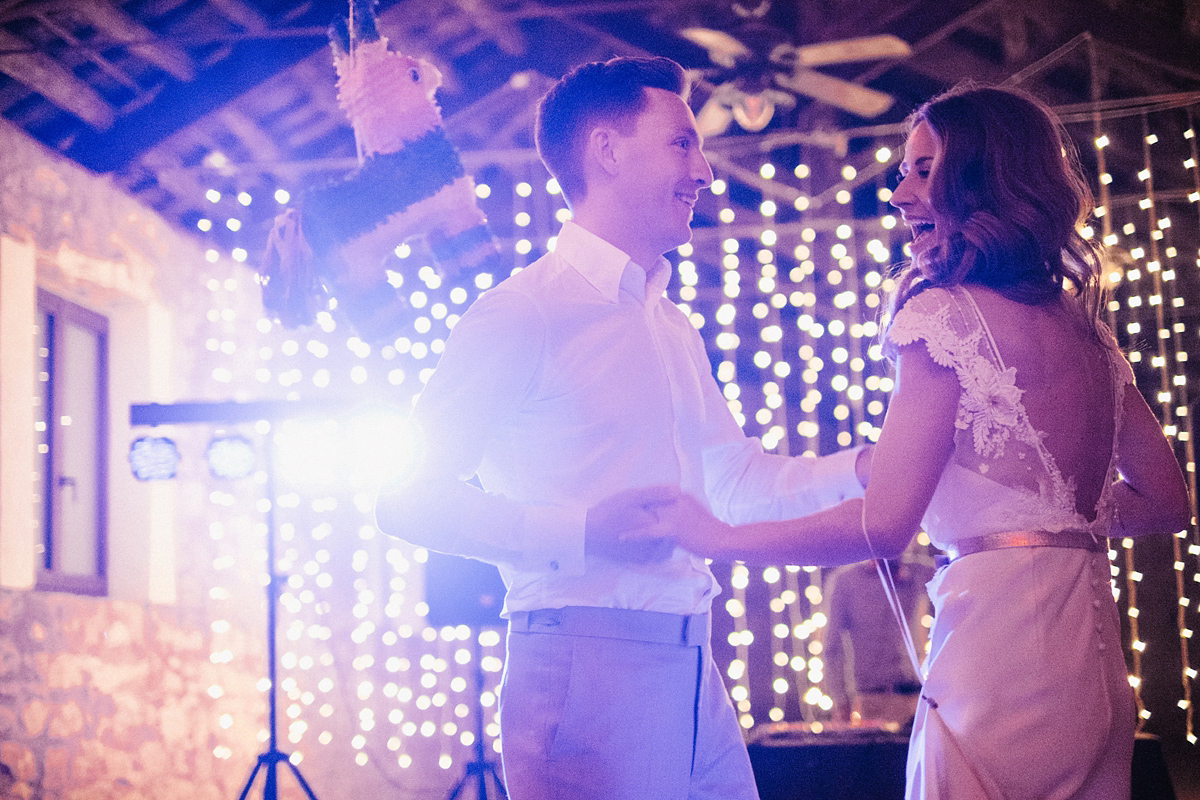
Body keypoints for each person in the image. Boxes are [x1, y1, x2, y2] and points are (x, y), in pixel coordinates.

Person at [621, 83, 1191, 800]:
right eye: (902, 173)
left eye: (924, 170)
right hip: (1093, 660)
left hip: (997, 655)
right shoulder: (1088, 332)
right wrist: (1051, 518)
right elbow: (1168, 502)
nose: (899, 195)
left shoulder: (942, 318)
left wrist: (716, 537)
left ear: (983, 179)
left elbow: (882, 525)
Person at [374, 56, 870, 800]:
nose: (704, 170)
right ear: (606, 152)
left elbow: (731, 480)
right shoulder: (523, 312)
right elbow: (406, 499)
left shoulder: (670, 322)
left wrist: (869, 467)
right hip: (582, 661)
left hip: (696, 664)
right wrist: (580, 531)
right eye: (682, 144)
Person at [821, 542, 934, 729]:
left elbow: (954, 569)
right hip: (870, 699)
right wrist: (840, 701)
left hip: (915, 696)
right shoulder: (846, 580)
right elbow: (832, 647)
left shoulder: (917, 571)